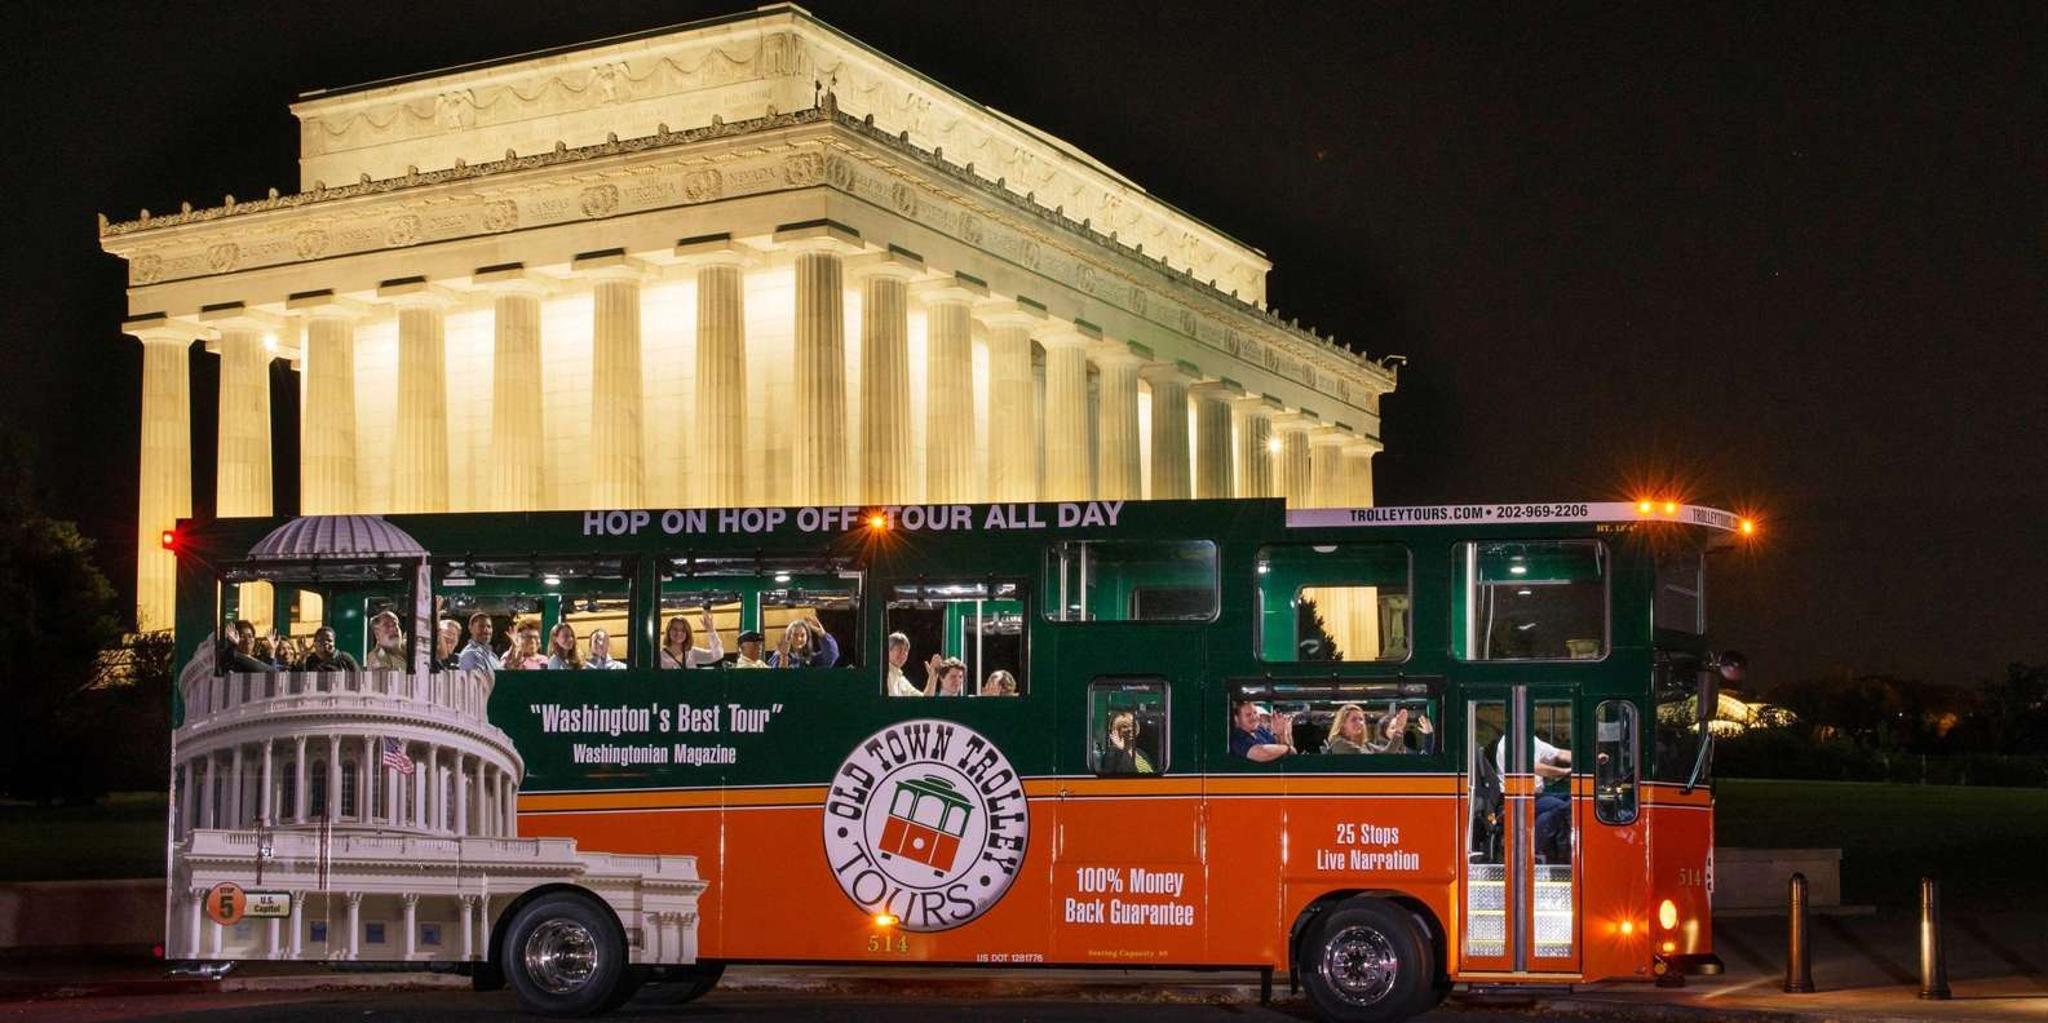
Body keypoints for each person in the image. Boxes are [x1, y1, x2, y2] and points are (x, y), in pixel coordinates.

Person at [1497, 732, 1575, 862]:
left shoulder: (1532, 740)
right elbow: (1530, 766)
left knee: (1571, 800)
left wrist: (1589, 758)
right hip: (1515, 797)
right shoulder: (1510, 741)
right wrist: (1563, 772)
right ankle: (1529, 851)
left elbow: (1559, 754)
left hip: (1535, 795)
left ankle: (1557, 853)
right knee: (1559, 807)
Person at [1230, 699, 1294, 762]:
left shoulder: (1260, 730)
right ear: (1237, 719)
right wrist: (1287, 748)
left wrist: (1281, 734)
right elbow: (1262, 753)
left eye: (1255, 712)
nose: (1254, 717)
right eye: (1248, 715)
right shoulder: (1238, 737)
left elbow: (1282, 751)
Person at [659, 609, 724, 669]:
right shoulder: (660, 655)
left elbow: (718, 655)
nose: (679, 633)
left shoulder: (692, 652)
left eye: (683, 630)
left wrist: (711, 630)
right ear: (668, 631)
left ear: (687, 633)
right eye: (675, 629)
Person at [769, 614, 839, 668]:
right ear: (788, 636)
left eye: (802, 635)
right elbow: (778, 679)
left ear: (807, 638)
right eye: (795, 635)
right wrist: (784, 656)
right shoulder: (778, 656)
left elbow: (831, 657)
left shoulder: (811, 659)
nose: (799, 639)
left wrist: (822, 634)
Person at [1097, 710, 1156, 774]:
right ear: (1116, 730)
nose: (1130, 729)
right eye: (1125, 726)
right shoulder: (1112, 753)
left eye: (1132, 725)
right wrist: (1122, 750)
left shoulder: (1140, 752)